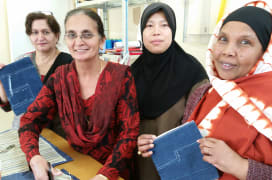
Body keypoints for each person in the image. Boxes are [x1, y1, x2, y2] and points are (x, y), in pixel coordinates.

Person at [18, 8, 139, 180]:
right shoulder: (59, 78)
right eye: (72, 35)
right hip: (76, 165)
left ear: (102, 41)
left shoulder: (121, 76)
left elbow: (128, 134)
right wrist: (34, 157)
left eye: (87, 34)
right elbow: (30, 120)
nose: (78, 42)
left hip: (114, 170)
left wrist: (105, 175)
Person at [187, 1, 272, 179]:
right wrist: (162, 146)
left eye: (245, 42)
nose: (228, 51)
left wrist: (239, 165)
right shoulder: (202, 93)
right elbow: (188, 148)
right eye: (223, 39)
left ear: (265, 53)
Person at [132, 2, 209, 180]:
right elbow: (121, 121)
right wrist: (133, 139)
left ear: (173, 30)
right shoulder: (131, 72)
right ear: (142, 32)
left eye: (164, 25)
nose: (156, 31)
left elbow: (202, 125)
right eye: (149, 25)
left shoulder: (192, 72)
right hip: (138, 160)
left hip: (178, 163)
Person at [0, 12, 73, 136]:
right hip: (24, 132)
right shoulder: (21, 61)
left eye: (46, 32)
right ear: (29, 36)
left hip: (56, 135)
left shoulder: (70, 64)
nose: (40, 37)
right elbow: (8, 105)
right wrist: (2, 82)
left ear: (57, 35)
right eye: (35, 32)